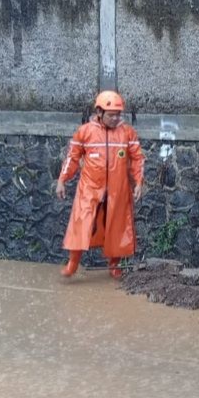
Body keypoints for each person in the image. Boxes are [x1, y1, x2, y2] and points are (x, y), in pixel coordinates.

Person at [56, 90, 145, 279]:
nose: (115, 118)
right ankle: (73, 263)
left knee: (117, 226)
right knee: (81, 223)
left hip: (118, 189)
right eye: (111, 115)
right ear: (99, 112)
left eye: (118, 114)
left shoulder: (127, 133)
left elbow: (137, 159)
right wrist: (62, 180)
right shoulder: (85, 132)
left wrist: (138, 182)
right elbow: (72, 157)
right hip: (89, 188)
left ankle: (114, 265)